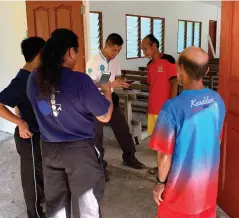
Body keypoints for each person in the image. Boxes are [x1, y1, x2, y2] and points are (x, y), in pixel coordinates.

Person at [26, 28, 113, 218]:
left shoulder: (34, 77)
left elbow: (44, 108)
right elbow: (105, 116)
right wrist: (107, 92)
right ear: (70, 52)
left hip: (49, 150)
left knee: (56, 205)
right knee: (86, 206)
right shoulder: (80, 81)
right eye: (77, 51)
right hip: (79, 152)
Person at [150, 47, 226, 218]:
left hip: (179, 193)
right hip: (207, 189)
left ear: (180, 69)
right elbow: (217, 141)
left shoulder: (172, 108)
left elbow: (164, 155)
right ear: (206, 71)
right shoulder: (217, 101)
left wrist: (160, 183)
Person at [0, 37, 46, 218]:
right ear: (39, 54)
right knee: (30, 177)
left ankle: (41, 199)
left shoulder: (34, 76)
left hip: (40, 135)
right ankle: (34, 213)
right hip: (28, 137)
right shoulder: (21, 80)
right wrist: (20, 122)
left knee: (40, 171)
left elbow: (25, 103)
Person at [85, 33, 146, 179]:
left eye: (119, 50)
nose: (116, 53)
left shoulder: (114, 61)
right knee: (97, 135)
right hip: (96, 100)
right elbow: (90, 85)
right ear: (106, 46)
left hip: (111, 98)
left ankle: (129, 157)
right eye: (114, 50)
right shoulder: (93, 62)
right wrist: (110, 85)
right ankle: (99, 167)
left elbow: (116, 76)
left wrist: (121, 81)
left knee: (122, 129)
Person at [141, 34, 178, 175]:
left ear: (154, 46)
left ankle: (172, 170)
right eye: (143, 49)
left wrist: (172, 105)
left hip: (165, 109)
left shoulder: (168, 60)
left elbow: (174, 82)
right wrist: (148, 109)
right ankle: (161, 168)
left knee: (168, 142)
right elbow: (153, 87)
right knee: (157, 142)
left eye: (146, 49)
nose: (144, 52)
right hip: (153, 109)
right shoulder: (150, 65)